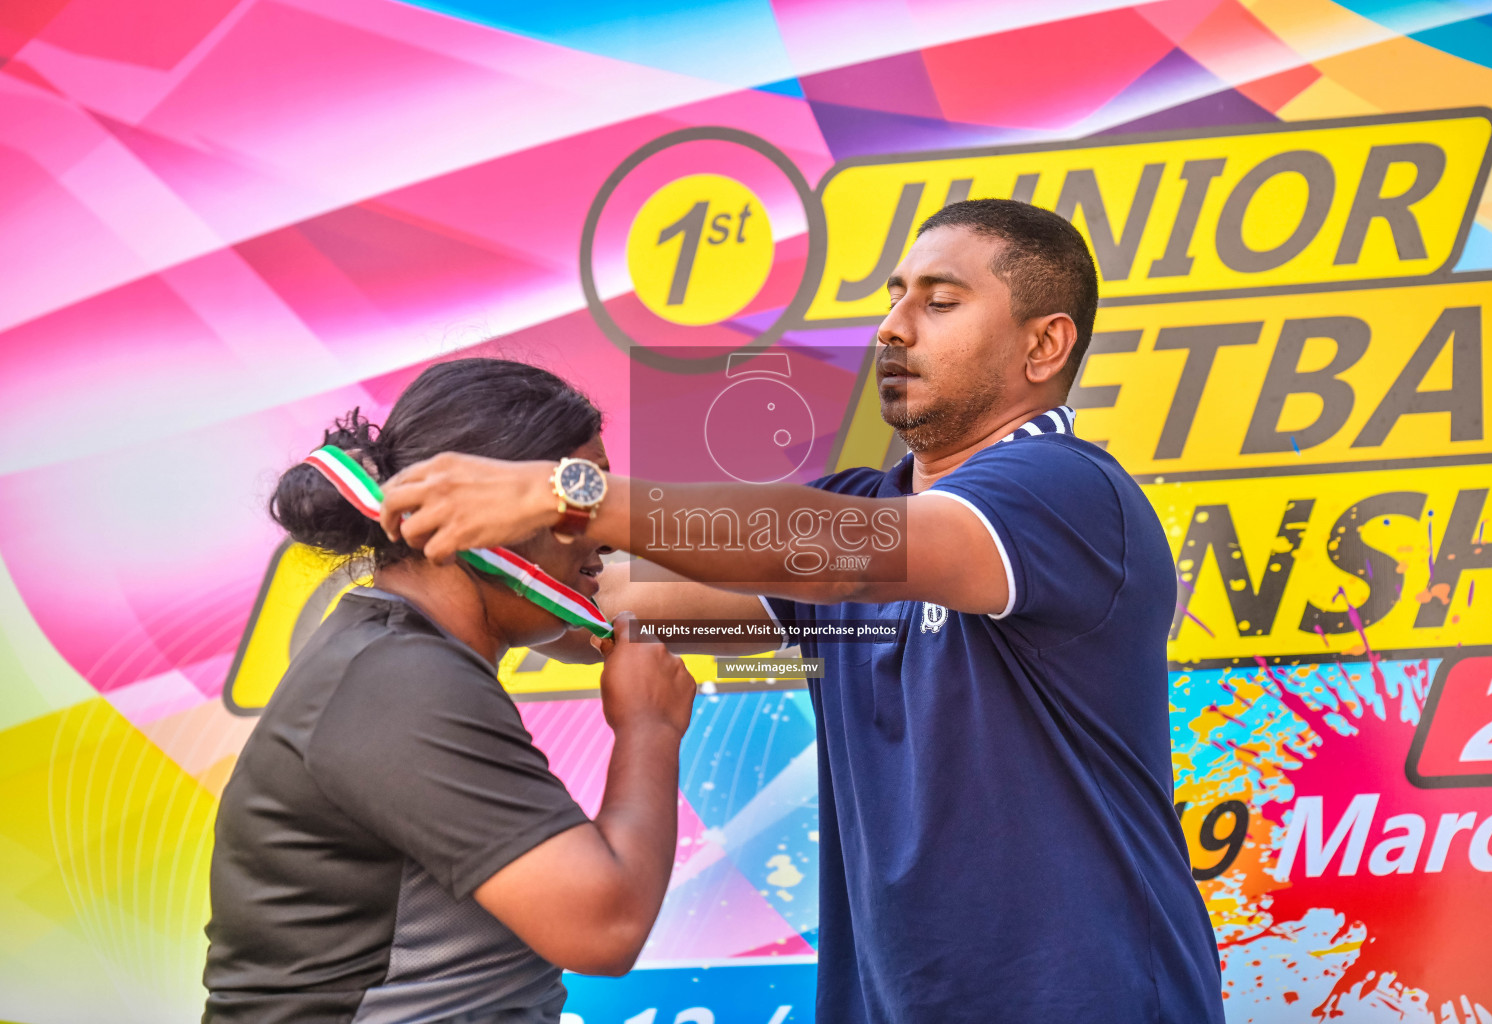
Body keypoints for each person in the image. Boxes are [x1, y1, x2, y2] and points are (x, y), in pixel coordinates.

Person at [377, 200, 1224, 1023]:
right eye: (893, 298)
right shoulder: (859, 511)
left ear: (1044, 344)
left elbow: (838, 550)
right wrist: (437, 528)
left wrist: (567, 493)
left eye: (939, 301)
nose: (892, 328)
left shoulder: (1066, 490)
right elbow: (600, 604)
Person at [203, 359, 698, 1024]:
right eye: (579, 503)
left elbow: (653, 596)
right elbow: (604, 927)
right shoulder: (400, 679)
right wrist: (649, 728)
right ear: (482, 518)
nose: (603, 538)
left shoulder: (395, 651)